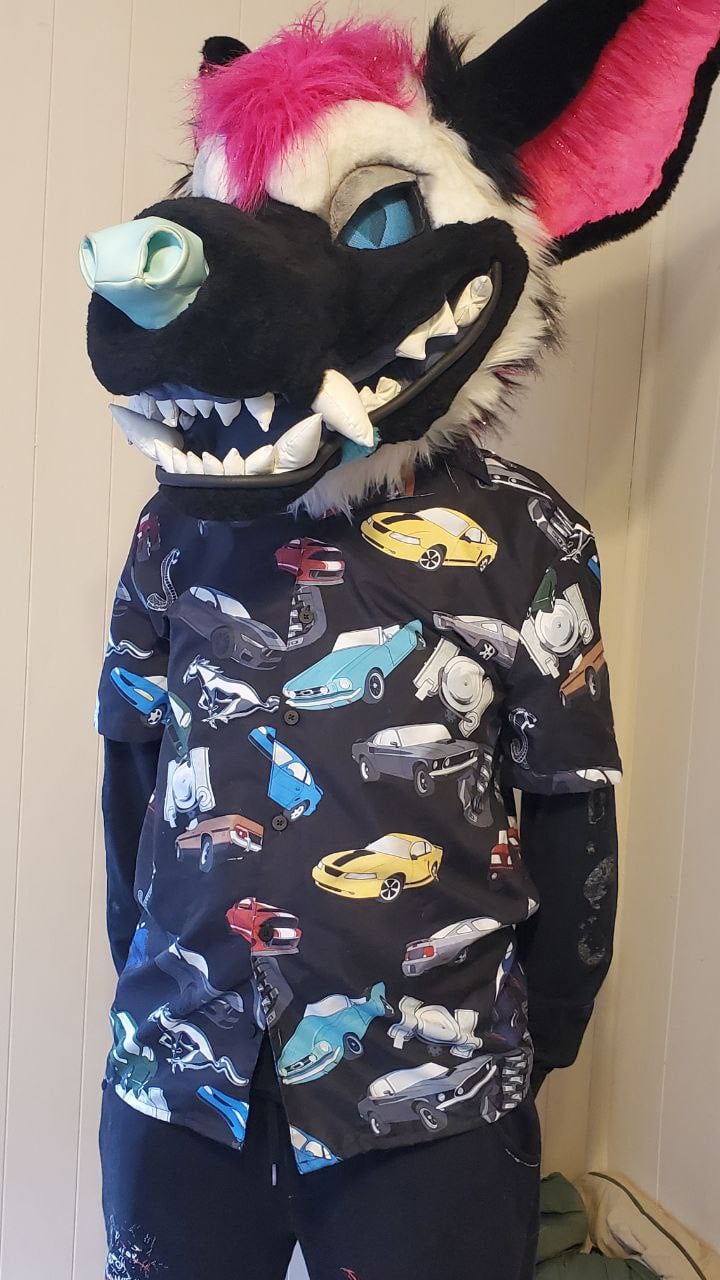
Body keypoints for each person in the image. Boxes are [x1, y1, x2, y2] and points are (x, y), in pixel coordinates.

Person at [81, 6, 720, 1278]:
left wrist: (532, 1041)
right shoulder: (178, 528)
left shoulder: (528, 536)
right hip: (182, 1081)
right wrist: (148, 980)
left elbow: (571, 816)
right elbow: (133, 772)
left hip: (429, 1098)